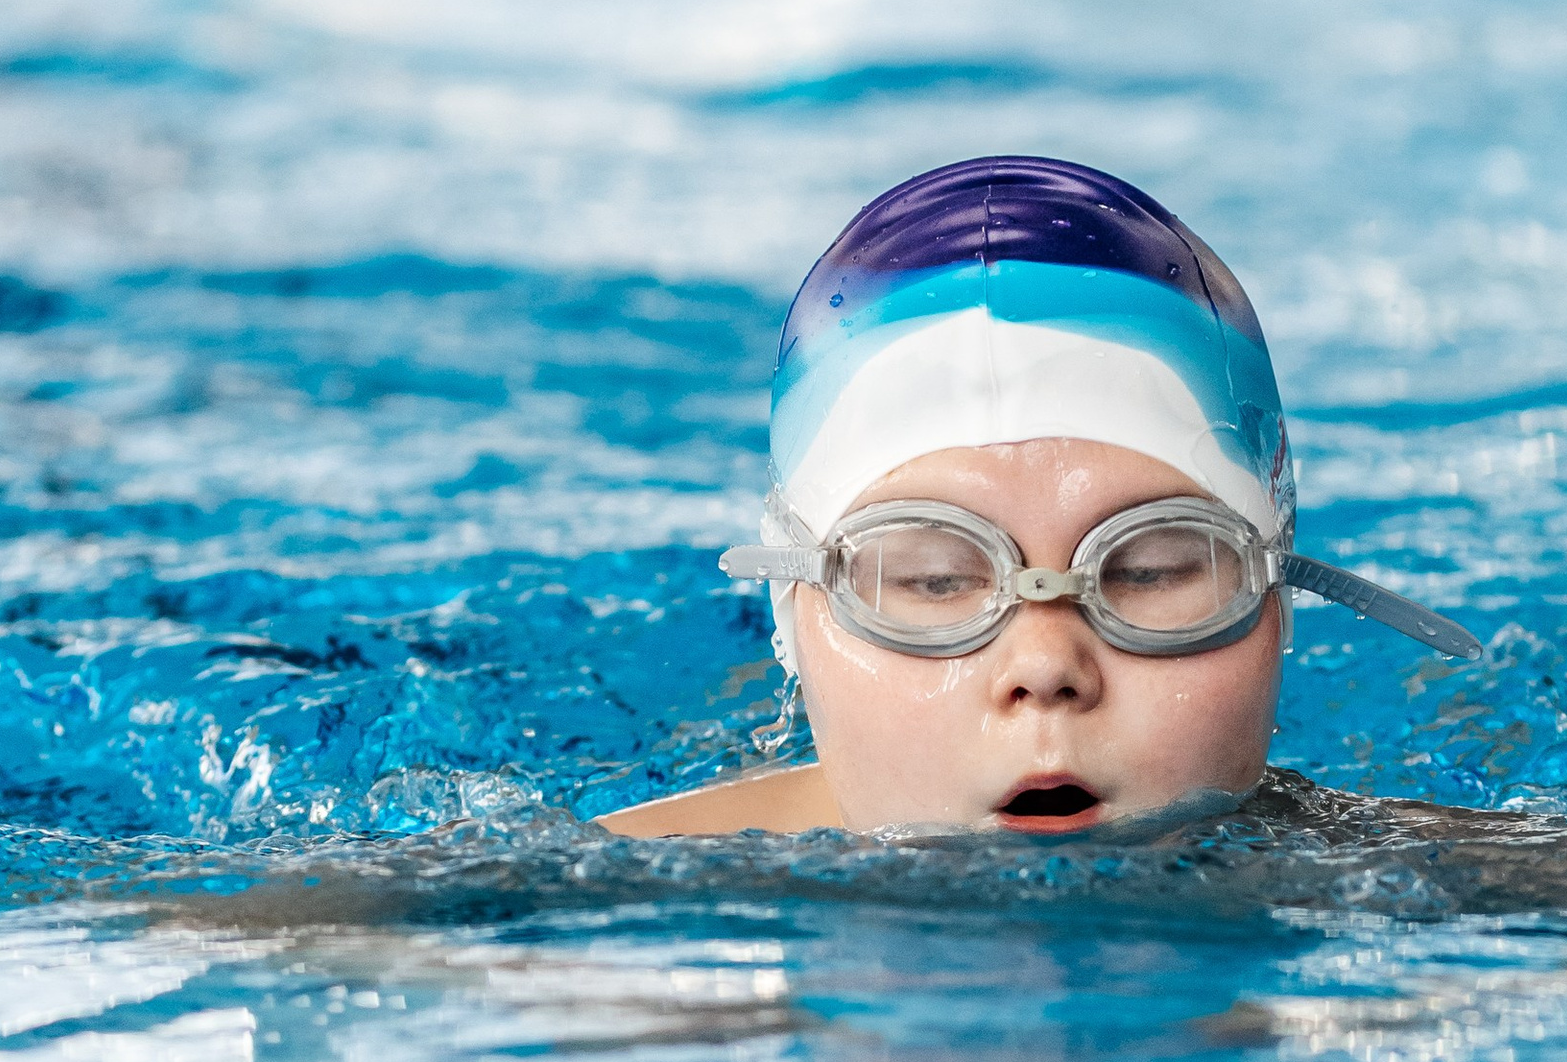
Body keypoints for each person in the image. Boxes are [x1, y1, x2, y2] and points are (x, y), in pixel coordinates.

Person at [597, 155, 1475, 841]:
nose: (1046, 667)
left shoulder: (1497, 910)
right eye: (933, 580)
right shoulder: (576, 932)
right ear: (792, 616)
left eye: (1155, 568)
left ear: (1277, 603)